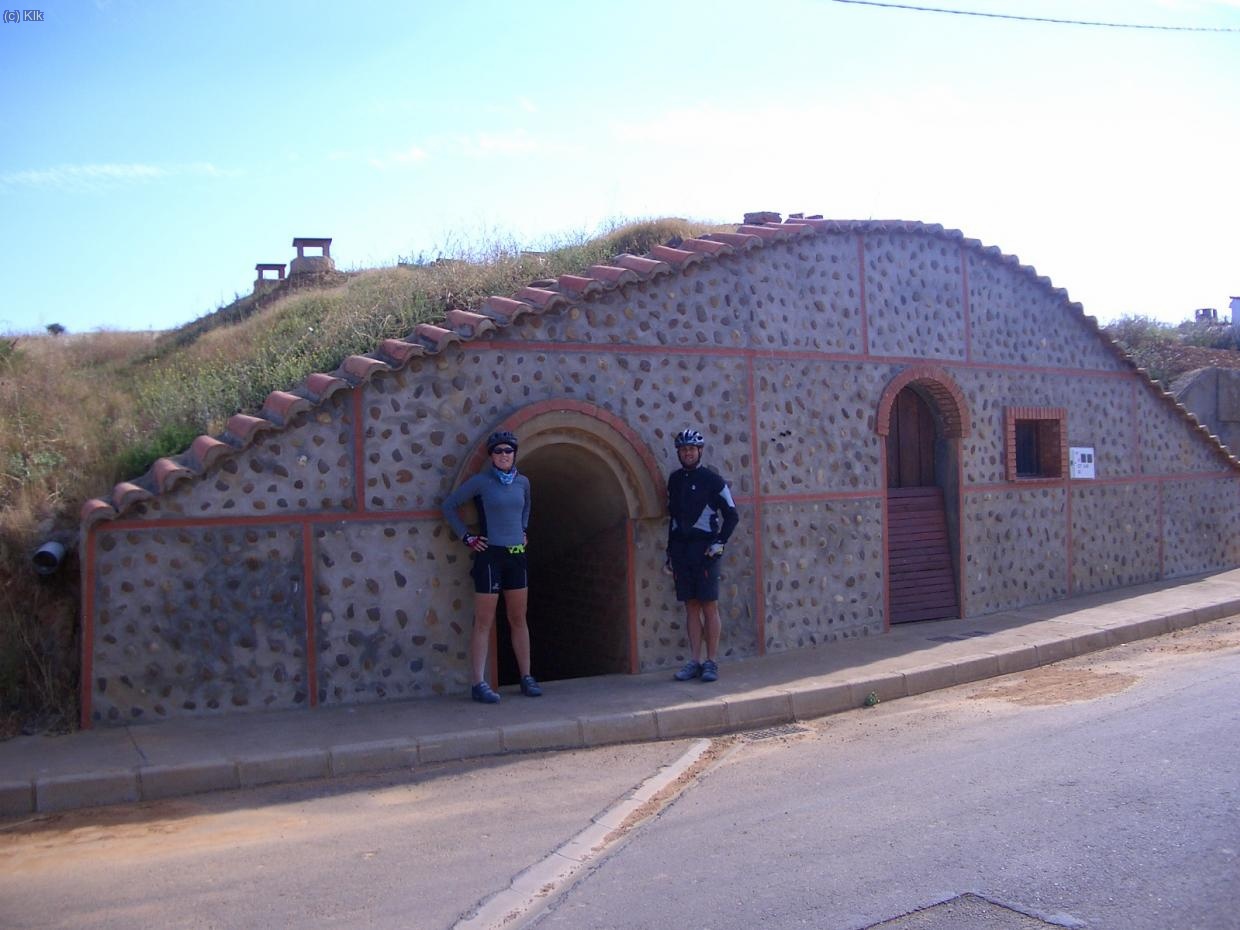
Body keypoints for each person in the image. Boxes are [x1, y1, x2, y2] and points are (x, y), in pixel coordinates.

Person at [441, 430, 541, 703]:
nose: (504, 455)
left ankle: (526, 677)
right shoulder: (481, 482)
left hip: (516, 554)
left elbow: (527, 506)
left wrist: (523, 529)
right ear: (491, 456)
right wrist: (468, 537)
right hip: (490, 556)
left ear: (514, 453)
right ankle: (479, 683)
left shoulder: (523, 482)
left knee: (518, 618)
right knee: (484, 621)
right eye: (498, 451)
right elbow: (449, 506)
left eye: (508, 450)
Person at [666, 428, 739, 683]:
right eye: (684, 449)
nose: (688, 453)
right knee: (691, 605)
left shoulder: (713, 480)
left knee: (709, 605)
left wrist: (720, 542)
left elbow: (732, 514)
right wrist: (669, 552)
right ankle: (694, 660)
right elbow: (673, 519)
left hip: (705, 550)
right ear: (679, 453)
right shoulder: (674, 480)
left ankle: (712, 661)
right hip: (681, 551)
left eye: (692, 449)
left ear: (700, 451)